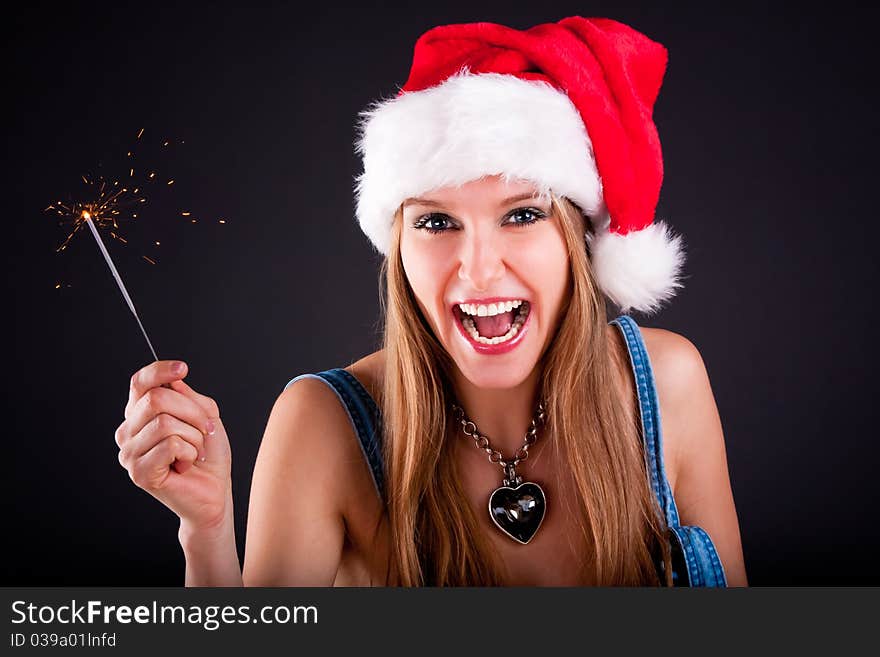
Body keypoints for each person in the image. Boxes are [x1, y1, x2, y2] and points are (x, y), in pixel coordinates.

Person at [114, 16, 747, 586]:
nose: (477, 270)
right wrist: (207, 530)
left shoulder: (668, 386)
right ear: (397, 249)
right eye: (436, 224)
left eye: (522, 214)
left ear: (577, 242)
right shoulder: (322, 427)